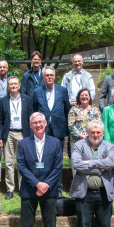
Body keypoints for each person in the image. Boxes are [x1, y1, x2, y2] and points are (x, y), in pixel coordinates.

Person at [16, 112, 63, 227]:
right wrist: (37, 184)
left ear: (45, 123)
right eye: (34, 123)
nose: (38, 125)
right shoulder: (23, 143)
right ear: (30, 125)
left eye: (41, 122)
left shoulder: (55, 142)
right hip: (29, 190)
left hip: (49, 191)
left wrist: (46, 185)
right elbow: (21, 166)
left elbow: (58, 167)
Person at [70, 120, 114, 227]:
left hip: (103, 194)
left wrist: (88, 163)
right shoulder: (79, 145)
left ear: (103, 133)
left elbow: (111, 163)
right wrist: (99, 165)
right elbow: (76, 163)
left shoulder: (109, 146)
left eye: (98, 132)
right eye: (92, 132)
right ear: (88, 133)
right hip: (85, 194)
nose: (95, 135)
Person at [32, 66, 70, 197]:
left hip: (58, 130)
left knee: (58, 161)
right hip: (42, 131)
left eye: (51, 75)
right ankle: (43, 186)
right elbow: (34, 111)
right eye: (46, 75)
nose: (49, 77)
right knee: (43, 159)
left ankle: (57, 188)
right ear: (43, 77)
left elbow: (67, 110)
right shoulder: (37, 91)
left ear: (55, 77)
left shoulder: (63, 90)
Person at [0, 76, 33, 200]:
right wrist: (0, 136)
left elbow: (31, 118)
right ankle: (10, 189)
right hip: (8, 134)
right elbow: (0, 120)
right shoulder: (2, 101)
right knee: (9, 163)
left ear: (19, 85)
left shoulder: (27, 99)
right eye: (11, 84)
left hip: (23, 133)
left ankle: (23, 187)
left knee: (23, 162)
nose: (13, 86)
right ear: (7, 86)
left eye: (15, 84)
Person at [61, 54, 96, 161]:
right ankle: (73, 158)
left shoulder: (88, 76)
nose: (77, 63)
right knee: (72, 132)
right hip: (71, 107)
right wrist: (70, 102)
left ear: (82, 62)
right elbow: (63, 92)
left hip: (85, 106)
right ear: (72, 63)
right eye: (75, 61)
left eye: (79, 61)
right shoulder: (67, 76)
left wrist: (84, 101)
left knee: (86, 130)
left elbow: (92, 93)